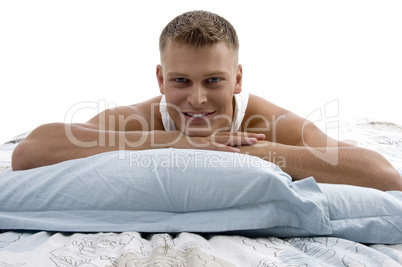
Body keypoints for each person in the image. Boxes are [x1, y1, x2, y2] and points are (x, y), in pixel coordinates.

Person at [12, 10, 402, 191]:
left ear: (237, 79)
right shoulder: (142, 118)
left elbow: (385, 176)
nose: (196, 99)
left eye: (213, 80)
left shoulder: (266, 123)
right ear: (161, 79)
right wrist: (177, 141)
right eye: (181, 80)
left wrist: (258, 152)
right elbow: (29, 152)